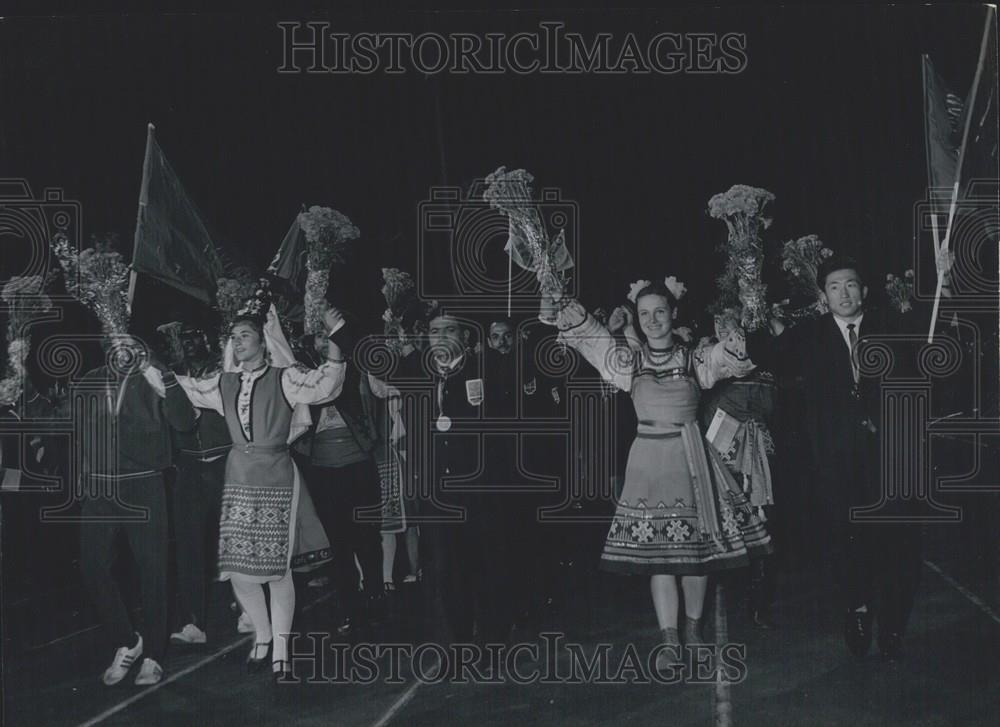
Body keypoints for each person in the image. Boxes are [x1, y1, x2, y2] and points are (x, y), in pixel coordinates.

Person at [542, 279, 772, 668]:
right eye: (644, 314)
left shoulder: (694, 358)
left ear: (673, 314)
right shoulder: (627, 362)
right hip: (648, 462)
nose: (652, 320)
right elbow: (589, 335)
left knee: (697, 555)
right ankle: (669, 641)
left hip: (691, 460)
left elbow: (732, 355)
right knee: (661, 556)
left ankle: (694, 634)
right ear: (637, 316)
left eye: (660, 312)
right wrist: (556, 291)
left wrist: (744, 316)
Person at [782, 253, 953, 661]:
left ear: (865, 291)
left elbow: (935, 331)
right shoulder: (809, 336)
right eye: (835, 286)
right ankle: (856, 610)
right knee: (847, 543)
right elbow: (765, 352)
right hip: (837, 464)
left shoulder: (891, 327)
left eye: (851, 284)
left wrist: (944, 281)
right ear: (824, 296)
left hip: (891, 460)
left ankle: (892, 624)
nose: (844, 293)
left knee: (898, 545)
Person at [167, 306, 346, 679]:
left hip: (276, 474)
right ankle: (261, 636)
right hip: (239, 477)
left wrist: (336, 342)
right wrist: (152, 369)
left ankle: (280, 648)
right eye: (234, 337)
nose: (238, 341)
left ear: (263, 343)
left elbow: (326, 385)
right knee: (238, 571)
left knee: (277, 570)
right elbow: (189, 390)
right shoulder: (225, 382)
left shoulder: (284, 377)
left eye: (245, 335)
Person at [77, 334, 197, 687]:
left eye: (128, 342)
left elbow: (185, 423)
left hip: (144, 485)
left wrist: (164, 374)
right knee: (92, 567)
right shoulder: (89, 380)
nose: (121, 349)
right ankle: (128, 641)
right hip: (99, 487)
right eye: (114, 342)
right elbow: (75, 426)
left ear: (139, 347)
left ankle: (154, 655)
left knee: (153, 571)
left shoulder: (153, 378)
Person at [165, 323, 231, 645]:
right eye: (180, 339)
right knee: (189, 545)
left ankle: (249, 606)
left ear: (204, 337)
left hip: (225, 464)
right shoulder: (170, 375)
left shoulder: (224, 367)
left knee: (233, 540)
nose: (186, 343)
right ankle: (195, 623)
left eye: (191, 335)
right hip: (189, 469)